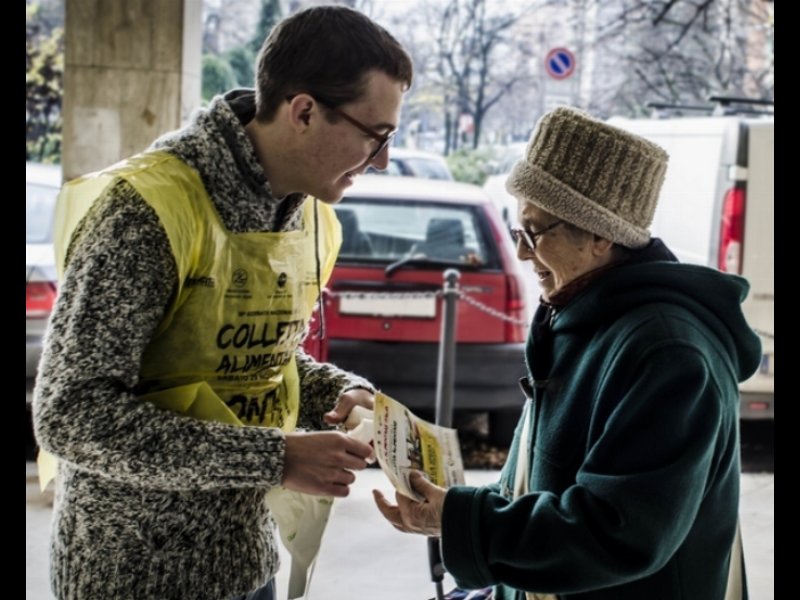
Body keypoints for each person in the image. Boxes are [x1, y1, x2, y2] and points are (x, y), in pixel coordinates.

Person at [33, 6, 413, 600]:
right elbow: (71, 414)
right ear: (305, 111)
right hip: (132, 577)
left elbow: (256, 358)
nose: (384, 159)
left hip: (248, 557)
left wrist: (335, 393)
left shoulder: (307, 212)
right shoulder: (144, 212)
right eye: (376, 135)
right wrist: (275, 458)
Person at [374, 106, 761, 600]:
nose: (521, 253)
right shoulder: (578, 314)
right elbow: (531, 485)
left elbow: (618, 531)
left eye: (534, 233)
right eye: (519, 231)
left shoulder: (669, 353)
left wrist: (461, 521)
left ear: (600, 234)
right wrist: (452, 512)